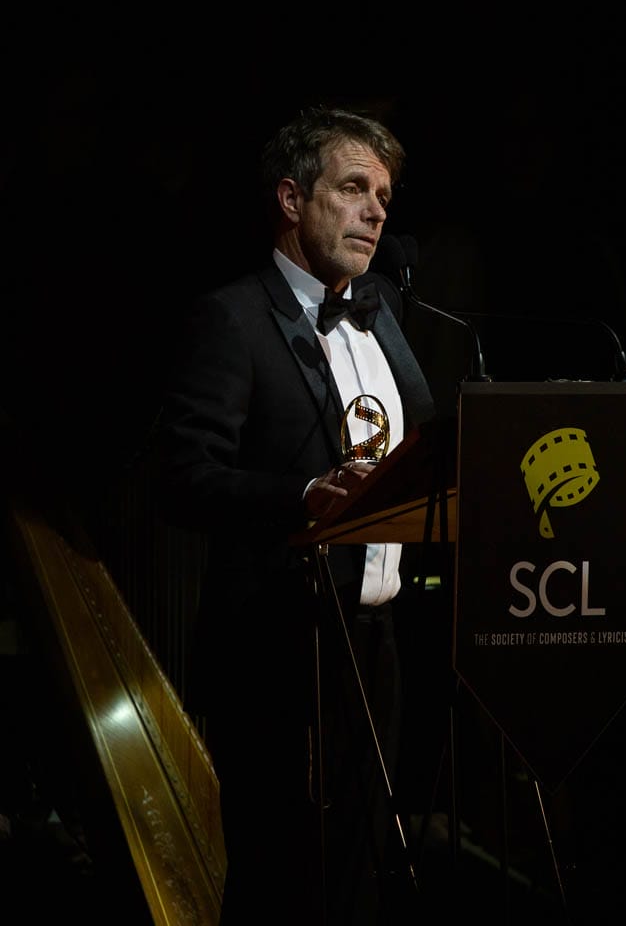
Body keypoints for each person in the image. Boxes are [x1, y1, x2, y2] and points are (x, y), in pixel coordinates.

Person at [153, 106, 435, 924]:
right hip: (276, 644)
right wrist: (300, 496)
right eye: (352, 188)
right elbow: (183, 478)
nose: (375, 212)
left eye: (383, 196)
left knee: (357, 877)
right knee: (280, 884)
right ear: (290, 198)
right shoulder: (232, 317)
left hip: (376, 640)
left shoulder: (382, 312)